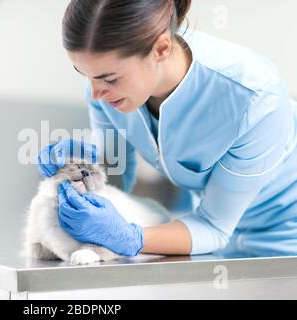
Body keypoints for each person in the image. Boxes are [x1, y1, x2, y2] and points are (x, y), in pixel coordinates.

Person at [38, 0, 297, 258]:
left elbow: (214, 227)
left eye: (109, 79)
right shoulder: (105, 88)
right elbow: (115, 181)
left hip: (284, 243)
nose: (95, 94)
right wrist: (85, 173)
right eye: (84, 73)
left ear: (161, 48)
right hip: (205, 240)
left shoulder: (254, 100)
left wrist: (129, 237)